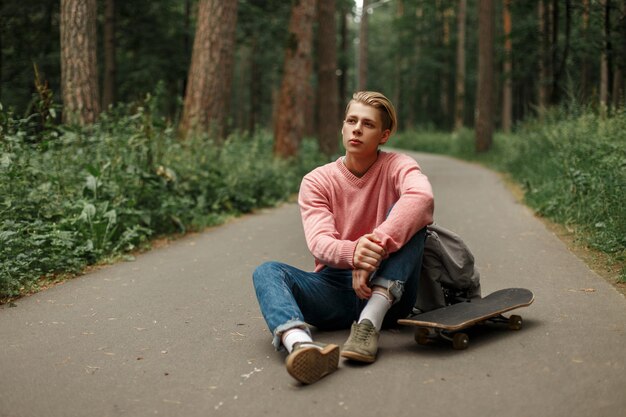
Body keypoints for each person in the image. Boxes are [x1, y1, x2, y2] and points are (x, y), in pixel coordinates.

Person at [253, 91, 434, 384]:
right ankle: (301, 345)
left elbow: (422, 198)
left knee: (412, 221)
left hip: (389, 293)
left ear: (384, 135)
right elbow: (320, 241)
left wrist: (374, 248)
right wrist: (354, 254)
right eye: (351, 120)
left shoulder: (398, 166)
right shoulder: (317, 180)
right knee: (267, 272)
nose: (357, 128)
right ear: (342, 127)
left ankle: (368, 325)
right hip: (333, 289)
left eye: (368, 124)